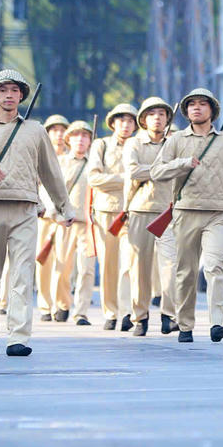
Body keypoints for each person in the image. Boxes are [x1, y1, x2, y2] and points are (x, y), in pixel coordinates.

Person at [0, 69, 76, 357]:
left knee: (23, 274)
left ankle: (18, 337)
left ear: (21, 95)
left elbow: (51, 172)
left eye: (15, 90)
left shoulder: (35, 130)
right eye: (3, 90)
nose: (9, 95)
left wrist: (64, 206)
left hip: (25, 209)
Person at [152, 88, 223, 344]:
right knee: (186, 272)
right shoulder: (176, 140)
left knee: (214, 266)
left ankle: (216, 323)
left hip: (219, 213)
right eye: (192, 105)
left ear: (212, 110)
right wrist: (182, 164)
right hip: (185, 212)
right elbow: (156, 172)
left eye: (202, 104)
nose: (196, 108)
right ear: (187, 111)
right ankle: (186, 325)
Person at [122, 96, 178, 336]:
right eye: (152, 114)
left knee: (171, 266)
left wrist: (158, 170)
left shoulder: (176, 143)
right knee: (139, 268)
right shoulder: (134, 144)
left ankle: (168, 315)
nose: (158, 118)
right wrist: (165, 169)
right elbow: (133, 172)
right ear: (143, 120)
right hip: (140, 210)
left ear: (168, 119)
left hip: (169, 211)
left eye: (162, 114)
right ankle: (140, 317)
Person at [87, 103, 139, 331]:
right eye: (121, 120)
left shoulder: (140, 146)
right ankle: (110, 311)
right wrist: (127, 177)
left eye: (130, 120)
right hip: (105, 211)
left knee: (129, 263)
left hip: (132, 211)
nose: (125, 125)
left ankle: (127, 311)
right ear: (113, 123)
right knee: (108, 263)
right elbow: (94, 178)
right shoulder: (102, 145)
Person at [53, 120, 97, 325]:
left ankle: (81, 311)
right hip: (66, 222)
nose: (81, 140)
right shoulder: (60, 162)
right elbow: (50, 189)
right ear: (69, 139)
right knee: (62, 268)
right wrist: (57, 214)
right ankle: (62, 304)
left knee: (86, 269)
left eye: (85, 136)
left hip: (88, 224)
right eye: (76, 135)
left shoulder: (95, 163)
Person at [36, 114, 69, 322]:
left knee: (64, 264)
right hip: (45, 217)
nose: (58, 135)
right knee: (43, 263)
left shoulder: (71, 157)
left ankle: (62, 304)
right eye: (54, 130)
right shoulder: (39, 155)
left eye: (62, 130)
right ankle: (45, 306)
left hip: (66, 218)